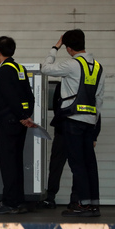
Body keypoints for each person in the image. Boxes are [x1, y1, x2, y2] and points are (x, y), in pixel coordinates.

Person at [41, 29, 105, 217]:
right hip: (89, 122)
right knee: (89, 164)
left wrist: (55, 48)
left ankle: (81, 205)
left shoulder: (72, 64)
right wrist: (94, 128)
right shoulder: (99, 68)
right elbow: (99, 100)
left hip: (73, 120)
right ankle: (93, 205)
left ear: (69, 48)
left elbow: (45, 68)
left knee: (77, 164)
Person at [0, 36, 36, 214]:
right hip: (20, 123)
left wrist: (21, 116)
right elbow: (29, 96)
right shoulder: (19, 68)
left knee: (8, 163)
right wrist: (26, 115)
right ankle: (18, 201)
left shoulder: (4, 71)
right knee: (16, 161)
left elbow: (10, 97)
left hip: (9, 122)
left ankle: (9, 202)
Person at [38, 85, 101, 210]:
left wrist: (94, 135)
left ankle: (75, 199)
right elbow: (57, 107)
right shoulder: (62, 85)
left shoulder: (86, 86)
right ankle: (50, 197)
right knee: (57, 164)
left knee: (78, 167)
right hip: (63, 131)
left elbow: (95, 111)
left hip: (79, 132)